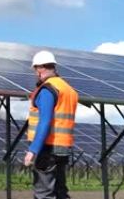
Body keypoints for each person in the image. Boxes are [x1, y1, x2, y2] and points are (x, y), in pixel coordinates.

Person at [23, 50, 78, 199]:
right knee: (60, 192)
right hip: (63, 149)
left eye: (36, 69)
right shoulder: (69, 90)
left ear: (40, 68)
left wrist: (33, 149)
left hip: (47, 148)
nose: (36, 73)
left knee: (44, 193)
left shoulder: (48, 89)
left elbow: (45, 121)